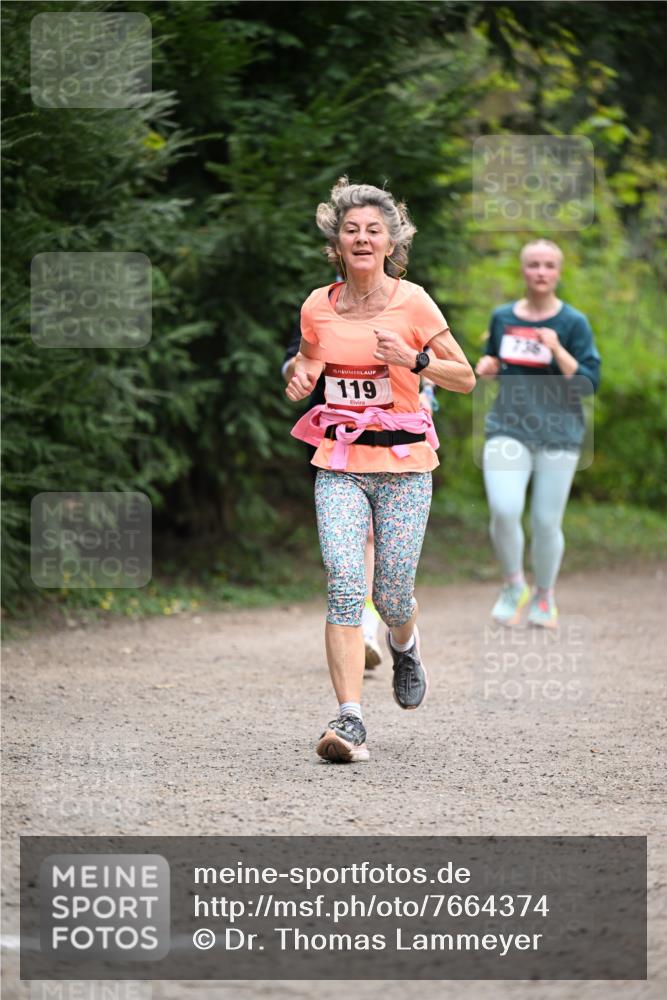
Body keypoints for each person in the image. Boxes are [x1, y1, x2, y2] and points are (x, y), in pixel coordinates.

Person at [286, 177, 475, 763]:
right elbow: (308, 360)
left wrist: (415, 360)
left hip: (404, 467)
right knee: (345, 585)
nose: (362, 239)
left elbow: (464, 377)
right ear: (337, 243)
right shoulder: (318, 305)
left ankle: (405, 643)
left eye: (373, 230)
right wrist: (299, 376)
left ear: (392, 242)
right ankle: (350, 720)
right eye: (351, 230)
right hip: (340, 463)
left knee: (391, 594)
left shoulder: (413, 302)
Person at [282, 324, 438, 671]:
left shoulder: (404, 304)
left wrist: (428, 390)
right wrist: (300, 370)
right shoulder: (320, 309)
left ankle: (374, 626)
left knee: (374, 542)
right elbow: (293, 362)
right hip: (335, 438)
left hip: (393, 436)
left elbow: (430, 355)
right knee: (354, 543)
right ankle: (359, 627)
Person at [475, 239, 601, 629]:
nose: (541, 272)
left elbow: (589, 383)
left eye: (548, 265)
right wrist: (488, 367)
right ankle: (514, 585)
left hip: (559, 434)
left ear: (558, 272)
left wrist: (557, 349)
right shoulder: (502, 317)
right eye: (533, 264)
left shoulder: (574, 323)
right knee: (504, 509)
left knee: (546, 522)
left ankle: (544, 595)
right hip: (508, 427)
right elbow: (499, 363)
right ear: (523, 270)